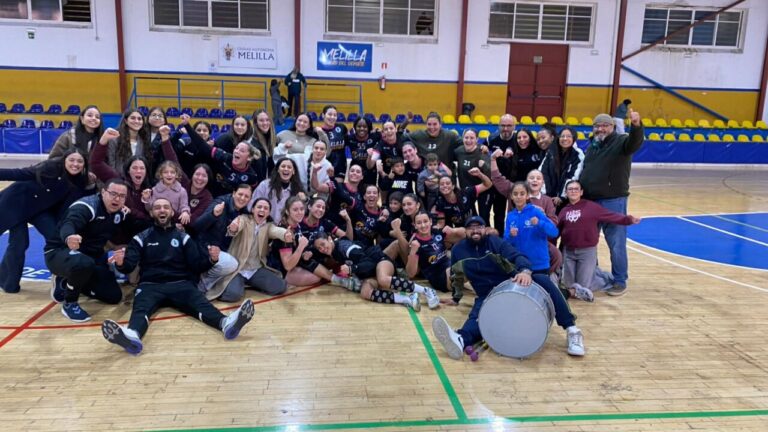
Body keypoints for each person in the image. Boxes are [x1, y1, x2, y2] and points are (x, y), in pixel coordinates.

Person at [101, 198, 255, 355]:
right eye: (158, 207)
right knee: (140, 309)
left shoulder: (183, 237)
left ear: (172, 212)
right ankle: (132, 336)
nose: (162, 210)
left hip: (180, 283)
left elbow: (197, 265)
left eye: (166, 207)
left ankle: (226, 323)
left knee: (201, 305)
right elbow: (129, 266)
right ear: (152, 213)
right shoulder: (140, 238)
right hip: (150, 285)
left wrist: (212, 260)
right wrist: (121, 263)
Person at [431, 216, 585, 359]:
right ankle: (461, 339)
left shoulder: (495, 242)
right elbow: (457, 275)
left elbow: (517, 256)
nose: (475, 231)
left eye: (479, 227)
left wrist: (525, 271)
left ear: (485, 229)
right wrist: (456, 298)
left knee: (542, 279)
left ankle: (572, 330)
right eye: (471, 228)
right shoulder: (458, 250)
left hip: (511, 285)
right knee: (478, 317)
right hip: (487, 294)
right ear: (465, 231)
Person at [0, 149, 93, 293]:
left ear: (84, 165)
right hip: (17, 203)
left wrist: (92, 185)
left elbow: (71, 206)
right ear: (64, 160)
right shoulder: (50, 167)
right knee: (19, 242)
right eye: (71, 160)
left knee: (56, 237)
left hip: (39, 209)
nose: (75, 164)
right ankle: (8, 283)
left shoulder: (81, 181)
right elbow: (19, 173)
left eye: (80, 161)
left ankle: (61, 275)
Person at [46, 179, 131, 322]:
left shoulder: (119, 213)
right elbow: (69, 223)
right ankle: (70, 303)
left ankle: (68, 281)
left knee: (113, 296)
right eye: (113, 194)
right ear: (103, 192)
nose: (117, 199)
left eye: (122, 196)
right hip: (59, 251)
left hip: (91, 257)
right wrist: (69, 236)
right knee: (83, 263)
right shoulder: (87, 207)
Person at [579, 110, 644, 296]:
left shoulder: (621, 142)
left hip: (612, 201)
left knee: (616, 242)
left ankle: (619, 280)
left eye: (605, 126)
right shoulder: (593, 146)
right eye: (597, 126)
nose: (600, 129)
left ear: (613, 127)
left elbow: (635, 142)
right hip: (590, 201)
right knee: (589, 241)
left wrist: (636, 125)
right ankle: (593, 274)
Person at [558, 180, 641, 301]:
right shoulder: (564, 211)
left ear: (581, 192)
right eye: (570, 189)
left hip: (586, 251)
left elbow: (611, 216)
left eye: (576, 189)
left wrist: (628, 219)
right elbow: (556, 230)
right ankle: (593, 272)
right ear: (566, 192)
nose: (573, 191)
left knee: (584, 287)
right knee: (569, 285)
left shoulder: (591, 207)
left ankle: (604, 278)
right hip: (569, 252)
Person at [313, 233, 439, 310]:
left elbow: (369, 263)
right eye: (319, 248)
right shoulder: (333, 252)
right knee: (365, 293)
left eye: (323, 244)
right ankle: (407, 299)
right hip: (369, 271)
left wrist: (352, 269)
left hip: (378, 260)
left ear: (329, 239)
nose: (322, 249)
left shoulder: (345, 248)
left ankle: (426, 291)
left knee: (382, 279)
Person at [208, 198, 292, 302]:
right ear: (252, 209)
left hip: (255, 270)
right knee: (233, 295)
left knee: (281, 286)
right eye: (259, 207)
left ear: (269, 212)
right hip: (238, 269)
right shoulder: (243, 219)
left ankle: (249, 283)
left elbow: (276, 231)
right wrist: (234, 228)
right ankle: (236, 284)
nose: (262, 210)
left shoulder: (269, 226)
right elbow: (237, 226)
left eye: (266, 208)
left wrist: (285, 234)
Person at [406, 212, 461, 293]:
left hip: (450, 267)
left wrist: (453, 230)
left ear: (430, 221)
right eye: (419, 223)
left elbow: (464, 236)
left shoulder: (437, 232)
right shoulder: (415, 243)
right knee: (467, 266)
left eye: (425, 221)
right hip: (440, 277)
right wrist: (413, 252)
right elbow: (410, 274)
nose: (423, 225)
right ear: (415, 225)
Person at [483, 114, 517, 230]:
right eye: (503, 125)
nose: (505, 128)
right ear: (498, 126)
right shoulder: (491, 139)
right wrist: (484, 150)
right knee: (497, 212)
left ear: (514, 126)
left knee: (514, 212)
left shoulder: (519, 139)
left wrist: (513, 151)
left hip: (514, 182)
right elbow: (481, 150)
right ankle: (495, 235)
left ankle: (511, 236)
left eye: (509, 125)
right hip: (496, 181)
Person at [539, 126, 584, 210]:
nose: (565, 138)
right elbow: (542, 172)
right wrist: (546, 194)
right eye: (562, 136)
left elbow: (573, 176)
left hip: (566, 199)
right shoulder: (551, 152)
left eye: (568, 136)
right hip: (547, 197)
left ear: (574, 138)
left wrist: (561, 196)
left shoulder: (578, 154)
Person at [252, 157, 305, 222]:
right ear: (278, 170)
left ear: (293, 171)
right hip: (264, 223)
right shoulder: (265, 185)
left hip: (285, 225)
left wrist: (304, 200)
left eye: (289, 167)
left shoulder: (297, 189)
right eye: (283, 166)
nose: (286, 169)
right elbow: (253, 205)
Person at [143, 160, 191, 226]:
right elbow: (150, 208)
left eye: (172, 172)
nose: (169, 175)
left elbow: (184, 206)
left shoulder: (182, 191)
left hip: (175, 222)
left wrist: (185, 212)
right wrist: (146, 199)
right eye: (165, 172)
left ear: (176, 175)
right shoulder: (155, 190)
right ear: (161, 175)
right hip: (158, 222)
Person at [319, 105, 349, 182]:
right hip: (324, 168)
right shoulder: (318, 132)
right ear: (323, 115)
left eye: (335, 115)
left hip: (340, 168)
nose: (332, 117)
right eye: (329, 114)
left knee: (337, 188)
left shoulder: (342, 128)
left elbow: (350, 141)